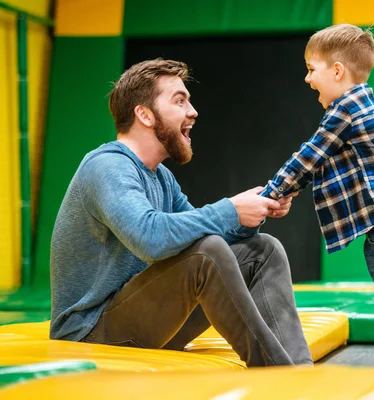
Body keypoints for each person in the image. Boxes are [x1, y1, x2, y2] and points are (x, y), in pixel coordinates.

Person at [49, 58, 313, 368]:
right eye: (180, 100)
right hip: (90, 335)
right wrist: (230, 209)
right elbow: (149, 237)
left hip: (144, 320)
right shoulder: (107, 166)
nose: (193, 111)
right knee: (207, 253)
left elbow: (200, 235)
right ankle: (282, 376)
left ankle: (300, 370)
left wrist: (252, 211)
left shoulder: (160, 176)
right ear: (145, 114)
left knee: (263, 250)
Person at [261, 24, 374, 364]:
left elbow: (309, 156)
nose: (307, 79)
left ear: (338, 71)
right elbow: (321, 163)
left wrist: (270, 195)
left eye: (311, 70)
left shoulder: (346, 109)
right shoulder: (361, 105)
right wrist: (290, 193)